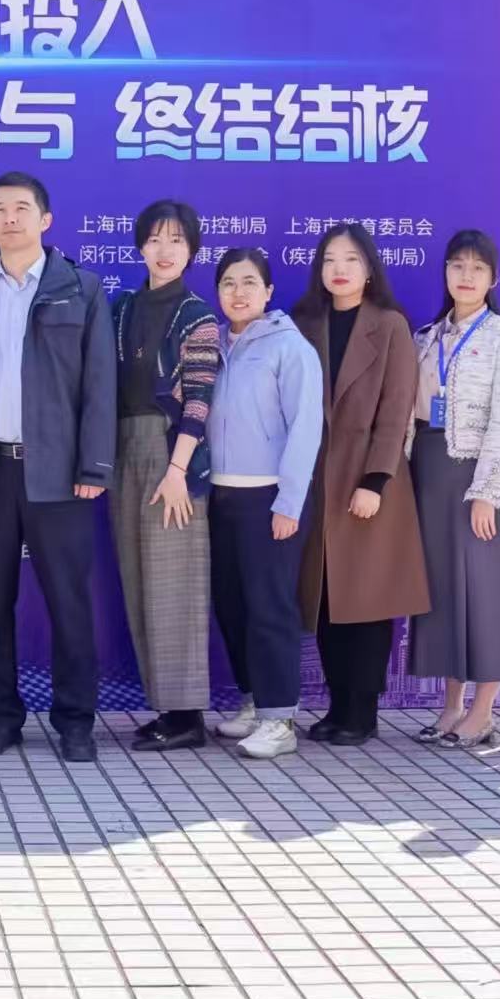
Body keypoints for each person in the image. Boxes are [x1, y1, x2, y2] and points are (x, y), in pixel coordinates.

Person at [0, 172, 115, 762]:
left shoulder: (81, 288)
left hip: (59, 473)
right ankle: (1, 718)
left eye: (21, 208)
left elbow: (100, 383)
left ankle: (75, 722)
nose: (9, 218)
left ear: (46, 219)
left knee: (69, 601)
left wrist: (93, 466)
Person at [291, 222, 429, 746]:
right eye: (329, 259)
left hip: (370, 482)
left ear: (369, 268)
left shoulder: (389, 325)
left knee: (366, 602)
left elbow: (396, 411)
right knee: (325, 599)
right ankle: (336, 706)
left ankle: (362, 712)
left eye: (351, 259)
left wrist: (375, 480)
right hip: (315, 480)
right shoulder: (304, 323)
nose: (339, 269)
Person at [406, 229, 500, 749]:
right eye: (457, 265)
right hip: (428, 471)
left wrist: (488, 491)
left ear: (493, 278)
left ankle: (483, 712)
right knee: (440, 592)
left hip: (478, 475)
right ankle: (451, 707)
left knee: (485, 591)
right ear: (445, 272)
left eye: (478, 268)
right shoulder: (425, 337)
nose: (466, 276)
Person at [108, 200, 221, 753]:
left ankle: (187, 716)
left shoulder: (197, 315)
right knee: (138, 578)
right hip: (122, 448)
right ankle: (165, 708)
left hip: (173, 450)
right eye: (155, 239)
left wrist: (177, 470)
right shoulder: (121, 308)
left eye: (177, 240)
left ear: (192, 250)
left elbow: (199, 399)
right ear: (140, 247)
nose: (165, 250)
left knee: (176, 581)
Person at [204, 248, 323, 761]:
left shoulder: (289, 347)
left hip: (270, 495)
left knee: (270, 607)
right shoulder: (212, 345)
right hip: (220, 494)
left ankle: (280, 720)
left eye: (249, 282)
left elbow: (305, 427)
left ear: (269, 291)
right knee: (233, 604)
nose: (238, 292)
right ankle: (254, 702)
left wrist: (289, 501)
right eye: (228, 283)